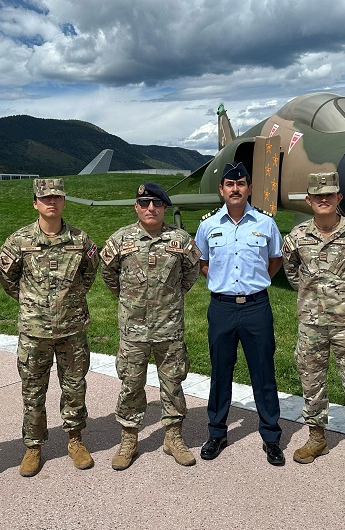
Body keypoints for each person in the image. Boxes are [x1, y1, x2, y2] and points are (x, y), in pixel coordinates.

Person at [281, 171, 345, 480]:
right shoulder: (297, 236)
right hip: (311, 324)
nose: (323, 199)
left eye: (329, 195)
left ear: (339, 198)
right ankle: (317, 436)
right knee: (311, 381)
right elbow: (292, 272)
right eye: (317, 196)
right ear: (309, 201)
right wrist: (314, 300)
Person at [0, 178, 99, 476]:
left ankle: (75, 439)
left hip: (72, 331)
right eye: (45, 198)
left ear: (64, 202)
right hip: (34, 332)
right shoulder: (20, 240)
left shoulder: (81, 240)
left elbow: (89, 275)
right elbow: (7, 277)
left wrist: (72, 299)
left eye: (57, 197)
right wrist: (31, 301)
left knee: (75, 387)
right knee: (32, 392)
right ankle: (33, 446)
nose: (51, 202)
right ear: (35, 203)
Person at [101, 182, 202, 470]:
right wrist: (129, 301)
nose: (150, 209)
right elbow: (109, 275)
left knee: (173, 384)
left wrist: (170, 299)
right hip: (133, 329)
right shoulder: (120, 240)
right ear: (136, 207)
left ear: (164, 207)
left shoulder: (181, 240)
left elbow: (191, 273)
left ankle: (173, 437)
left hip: (169, 327)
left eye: (156, 204)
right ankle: (129, 439)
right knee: (131, 384)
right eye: (144, 203)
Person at [194, 162, 286, 466]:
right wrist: (220, 283)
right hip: (221, 308)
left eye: (241, 183)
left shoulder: (265, 223)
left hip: (256, 307)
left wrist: (257, 283)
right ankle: (217, 432)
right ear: (221, 189)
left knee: (263, 372)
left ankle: (271, 437)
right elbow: (202, 262)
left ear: (249, 188)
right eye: (229, 184)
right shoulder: (208, 225)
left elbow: (274, 260)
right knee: (220, 372)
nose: (235, 189)